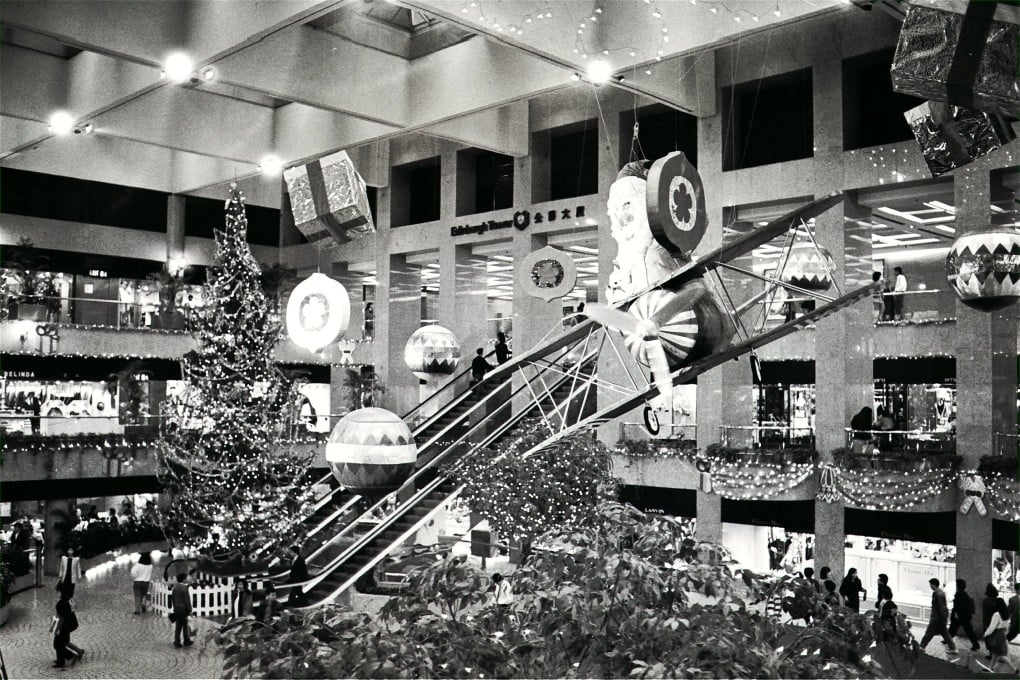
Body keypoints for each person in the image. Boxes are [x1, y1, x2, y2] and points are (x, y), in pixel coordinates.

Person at [920, 578, 956, 654]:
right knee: (945, 633)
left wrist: (943, 618)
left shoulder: (937, 594)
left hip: (936, 618)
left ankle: (921, 647)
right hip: (940, 618)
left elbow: (941, 607)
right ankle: (953, 648)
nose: (930, 586)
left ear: (933, 585)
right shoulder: (940, 592)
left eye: (930, 585)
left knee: (929, 633)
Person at [982, 597, 1017, 673]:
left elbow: (992, 627)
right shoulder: (1006, 614)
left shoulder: (997, 614)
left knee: (1001, 655)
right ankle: (990, 668)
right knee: (995, 653)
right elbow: (1007, 626)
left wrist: (985, 634)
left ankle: (1014, 669)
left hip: (997, 635)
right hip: (1003, 634)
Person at [949, 578, 981, 651]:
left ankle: (948, 640)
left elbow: (957, 606)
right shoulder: (965, 594)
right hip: (965, 616)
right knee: (968, 631)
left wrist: (956, 614)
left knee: (953, 628)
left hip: (960, 616)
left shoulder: (958, 594)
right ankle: (975, 644)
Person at [52, 594, 82, 668]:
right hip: (66, 626)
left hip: (63, 626)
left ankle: (70, 657)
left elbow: (62, 615)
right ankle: (61, 660)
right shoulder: (68, 601)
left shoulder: (63, 603)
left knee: (57, 644)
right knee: (61, 643)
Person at [171, 572, 193, 648]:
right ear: (184, 580)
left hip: (177, 609)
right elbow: (187, 600)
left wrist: (174, 608)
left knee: (178, 625)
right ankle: (186, 640)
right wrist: (190, 610)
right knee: (185, 625)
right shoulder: (184, 588)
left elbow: (173, 599)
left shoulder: (175, 588)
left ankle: (177, 641)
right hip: (184, 609)